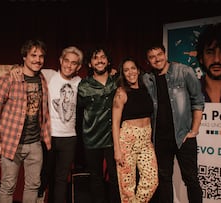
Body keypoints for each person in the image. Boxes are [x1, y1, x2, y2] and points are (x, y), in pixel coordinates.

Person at [0, 39, 51, 203]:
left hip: (35, 144)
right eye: (33, 55)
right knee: (8, 186)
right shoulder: (8, 79)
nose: (38, 59)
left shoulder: (42, 78)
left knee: (33, 186)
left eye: (41, 56)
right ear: (24, 57)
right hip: (11, 143)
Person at [142, 43, 205, 203]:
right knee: (164, 180)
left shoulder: (183, 71)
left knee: (191, 179)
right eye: (152, 57)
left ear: (165, 54)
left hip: (183, 136)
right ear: (148, 61)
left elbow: (198, 101)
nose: (157, 59)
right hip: (160, 139)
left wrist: (194, 131)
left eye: (159, 54)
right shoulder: (147, 78)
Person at [76, 46, 121, 203]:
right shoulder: (83, 85)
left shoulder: (118, 81)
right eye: (96, 58)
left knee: (116, 178)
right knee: (96, 178)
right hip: (92, 138)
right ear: (90, 64)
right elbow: (78, 111)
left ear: (108, 61)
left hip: (114, 138)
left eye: (103, 57)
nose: (100, 60)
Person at [39, 46, 83, 203]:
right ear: (60, 60)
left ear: (78, 67)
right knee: (43, 176)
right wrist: (16, 69)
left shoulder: (79, 83)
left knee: (61, 179)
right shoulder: (48, 75)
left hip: (69, 139)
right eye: (66, 61)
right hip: (49, 136)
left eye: (74, 63)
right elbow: (26, 69)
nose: (69, 65)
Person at [112, 57, 158, 203]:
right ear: (123, 74)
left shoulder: (146, 89)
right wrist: (117, 150)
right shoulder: (121, 92)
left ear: (138, 70)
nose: (130, 72)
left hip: (145, 140)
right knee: (127, 187)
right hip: (127, 139)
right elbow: (115, 123)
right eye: (126, 70)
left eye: (133, 68)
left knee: (152, 181)